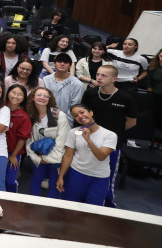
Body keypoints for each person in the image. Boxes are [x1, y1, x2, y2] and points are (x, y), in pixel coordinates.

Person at [81, 64, 137, 208]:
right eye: (98, 74)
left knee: (108, 176)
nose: (98, 78)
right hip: (88, 140)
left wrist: (112, 133)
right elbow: (83, 116)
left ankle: (107, 204)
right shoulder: (90, 93)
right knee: (84, 171)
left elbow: (131, 122)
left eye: (104, 75)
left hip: (111, 145)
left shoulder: (126, 98)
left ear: (114, 79)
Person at [56, 104, 118, 206]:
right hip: (76, 173)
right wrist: (61, 176)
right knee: (70, 206)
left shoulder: (110, 135)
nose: (80, 116)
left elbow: (101, 157)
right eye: (75, 115)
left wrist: (88, 140)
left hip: (99, 178)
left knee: (92, 210)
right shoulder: (73, 132)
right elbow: (68, 155)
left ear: (91, 112)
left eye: (82, 112)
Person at [25, 86, 70, 197]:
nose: (42, 98)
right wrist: (37, 157)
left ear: (49, 99)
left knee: (55, 182)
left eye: (46, 96)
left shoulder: (59, 116)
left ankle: (51, 208)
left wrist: (47, 158)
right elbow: (28, 141)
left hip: (55, 156)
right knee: (36, 178)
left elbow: (61, 142)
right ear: (33, 98)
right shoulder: (30, 115)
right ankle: (32, 203)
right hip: (39, 154)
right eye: (39, 95)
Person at [43, 53, 86, 125]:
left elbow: (75, 106)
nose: (62, 64)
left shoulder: (77, 84)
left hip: (67, 121)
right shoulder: (45, 80)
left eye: (65, 62)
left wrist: (62, 117)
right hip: (45, 118)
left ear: (69, 65)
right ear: (54, 64)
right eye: (59, 62)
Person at [4, 84, 32, 193]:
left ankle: (12, 201)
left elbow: (22, 138)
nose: (16, 96)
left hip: (13, 152)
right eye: (13, 93)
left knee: (10, 181)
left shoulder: (23, 116)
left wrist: (14, 155)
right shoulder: (0, 107)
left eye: (20, 94)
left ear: (24, 98)